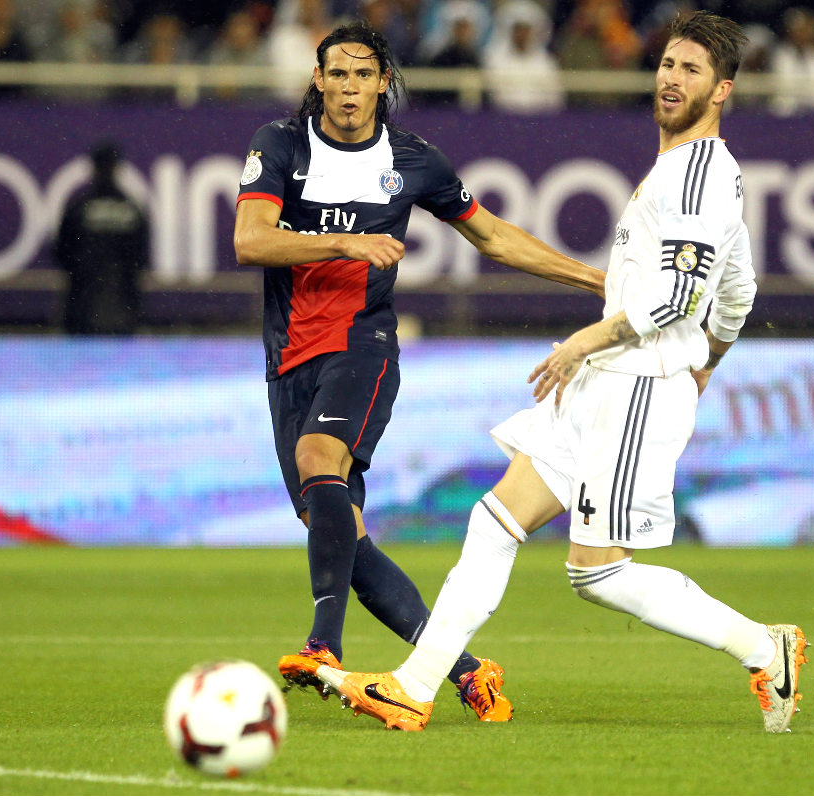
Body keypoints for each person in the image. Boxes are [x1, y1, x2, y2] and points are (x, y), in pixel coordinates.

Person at [314, 10, 809, 734]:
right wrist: (712, 361)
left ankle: (767, 648)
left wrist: (591, 343)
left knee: (597, 572)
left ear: (722, 90)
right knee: (494, 521)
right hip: (610, 376)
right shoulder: (681, 169)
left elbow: (681, 297)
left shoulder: (702, 173)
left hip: (635, 380)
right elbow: (737, 291)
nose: (672, 78)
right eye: (668, 63)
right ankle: (413, 687)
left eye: (691, 70)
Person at [231, 22, 605, 723]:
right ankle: (468, 673)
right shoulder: (280, 144)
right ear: (318, 80)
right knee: (340, 533)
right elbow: (250, 241)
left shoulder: (413, 161)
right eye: (336, 74)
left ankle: (322, 646)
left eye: (362, 74)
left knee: (320, 460)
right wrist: (345, 241)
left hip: (362, 347)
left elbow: (492, 235)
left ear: (382, 83)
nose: (348, 87)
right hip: (288, 360)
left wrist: (593, 280)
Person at [54, 141, 149, 336]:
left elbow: (61, 253)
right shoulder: (131, 209)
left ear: (93, 168)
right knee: (121, 365)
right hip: (123, 310)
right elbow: (142, 257)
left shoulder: (79, 207)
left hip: (81, 309)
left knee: (80, 366)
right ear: (117, 168)